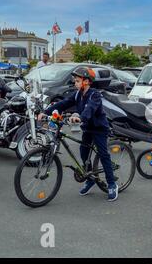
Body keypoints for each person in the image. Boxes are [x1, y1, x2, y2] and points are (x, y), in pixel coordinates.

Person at [38, 67, 119, 201]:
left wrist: (80, 117)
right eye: (75, 81)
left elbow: (90, 109)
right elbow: (64, 103)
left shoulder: (95, 95)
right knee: (83, 152)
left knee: (103, 154)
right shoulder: (77, 94)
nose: (74, 83)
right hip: (88, 128)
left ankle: (111, 184)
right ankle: (90, 179)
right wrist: (46, 112)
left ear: (86, 81)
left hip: (99, 129)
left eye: (77, 80)